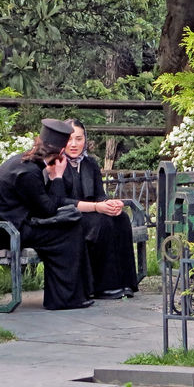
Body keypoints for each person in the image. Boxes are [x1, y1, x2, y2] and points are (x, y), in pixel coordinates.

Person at [0, 118, 94, 310]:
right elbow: (48, 210)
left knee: (72, 224)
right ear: (59, 153)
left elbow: (43, 206)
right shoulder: (28, 173)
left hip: (10, 226)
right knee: (68, 232)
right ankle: (62, 299)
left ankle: (74, 294)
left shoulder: (24, 162)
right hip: (4, 232)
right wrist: (57, 176)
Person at [48, 119, 138, 299]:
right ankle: (102, 286)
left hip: (92, 212)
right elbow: (58, 200)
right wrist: (97, 207)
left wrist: (111, 204)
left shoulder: (90, 164)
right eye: (69, 139)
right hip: (67, 216)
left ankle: (126, 282)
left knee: (120, 219)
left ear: (85, 140)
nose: (74, 144)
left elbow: (99, 195)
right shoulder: (55, 163)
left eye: (79, 139)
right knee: (102, 223)